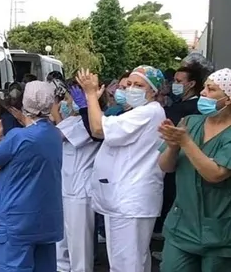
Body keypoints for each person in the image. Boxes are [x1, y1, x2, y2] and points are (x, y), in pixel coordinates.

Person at [0, 80, 63, 271]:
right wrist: (0, 138)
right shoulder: (54, 134)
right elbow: (20, 155)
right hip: (47, 220)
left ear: (24, 103)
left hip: (17, 220)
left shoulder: (19, 136)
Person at [77, 66, 166, 272]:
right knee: (131, 261)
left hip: (130, 200)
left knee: (126, 264)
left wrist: (90, 95)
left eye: (139, 85)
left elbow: (98, 129)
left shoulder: (148, 112)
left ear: (152, 90)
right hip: (124, 199)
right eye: (129, 84)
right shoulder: (140, 112)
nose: (131, 89)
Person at [156, 68, 231, 271]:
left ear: (228, 99)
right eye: (204, 87)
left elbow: (215, 174)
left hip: (221, 235)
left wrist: (185, 142)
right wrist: (172, 146)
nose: (204, 93)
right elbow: (166, 166)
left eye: (211, 89)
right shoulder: (190, 122)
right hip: (181, 227)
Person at [51, 80, 101, 272]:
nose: (65, 101)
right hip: (65, 187)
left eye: (68, 97)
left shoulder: (90, 122)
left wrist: (55, 113)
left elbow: (57, 136)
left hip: (80, 191)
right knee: (61, 242)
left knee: (80, 247)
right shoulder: (72, 120)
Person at [154, 64, 206, 242]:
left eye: (178, 81)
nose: (173, 85)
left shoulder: (192, 109)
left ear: (191, 84)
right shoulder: (179, 105)